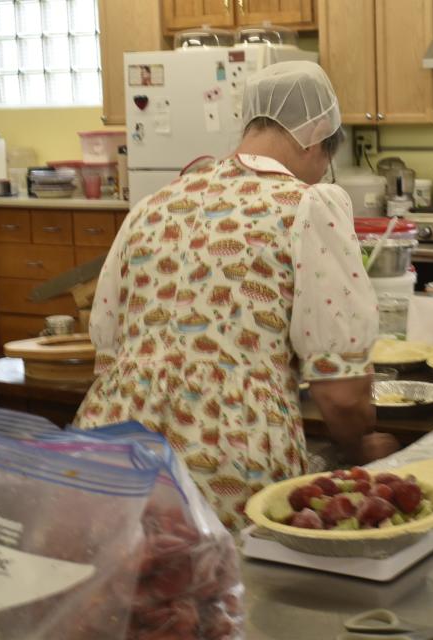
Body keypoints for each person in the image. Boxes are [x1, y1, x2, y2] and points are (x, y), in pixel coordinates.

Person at [75, 61, 399, 530]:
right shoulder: (307, 205)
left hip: (112, 451)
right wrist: (359, 449)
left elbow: (107, 352)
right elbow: (341, 392)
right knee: (227, 595)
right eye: (325, 163)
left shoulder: (154, 205)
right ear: (314, 139)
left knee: (129, 593)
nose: (320, 176)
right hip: (226, 457)